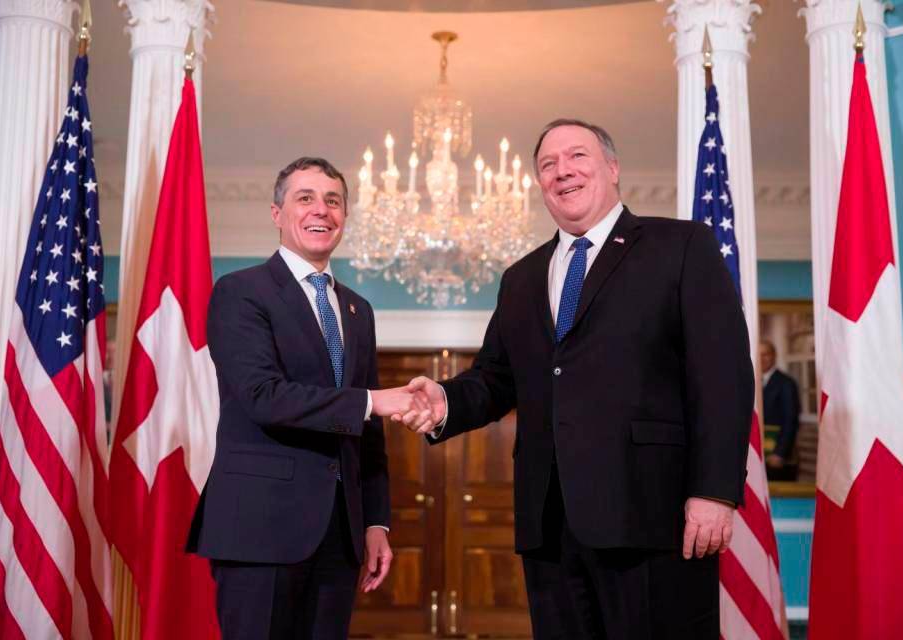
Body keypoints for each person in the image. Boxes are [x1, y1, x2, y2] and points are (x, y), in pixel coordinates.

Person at [397, 120, 754, 639]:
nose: (562, 170)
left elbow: (723, 376)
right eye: (548, 164)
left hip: (653, 517)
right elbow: (496, 379)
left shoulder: (680, 246)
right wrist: (444, 402)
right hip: (550, 527)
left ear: (612, 168)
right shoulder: (521, 278)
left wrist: (714, 492)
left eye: (577, 156)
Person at [187, 157, 429, 639]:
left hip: (340, 535)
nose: (322, 210)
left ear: (344, 216)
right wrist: (370, 401)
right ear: (277, 213)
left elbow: (368, 434)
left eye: (333, 201)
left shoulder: (358, 309)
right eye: (306, 198)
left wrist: (376, 522)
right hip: (260, 529)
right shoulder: (240, 292)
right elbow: (263, 396)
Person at [760, 340, 802, 481]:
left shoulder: (786, 383)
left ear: (774, 356)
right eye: (758, 355)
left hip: (776, 456)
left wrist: (780, 453)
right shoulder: (751, 382)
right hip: (757, 453)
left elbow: (791, 421)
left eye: (766, 354)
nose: (762, 358)